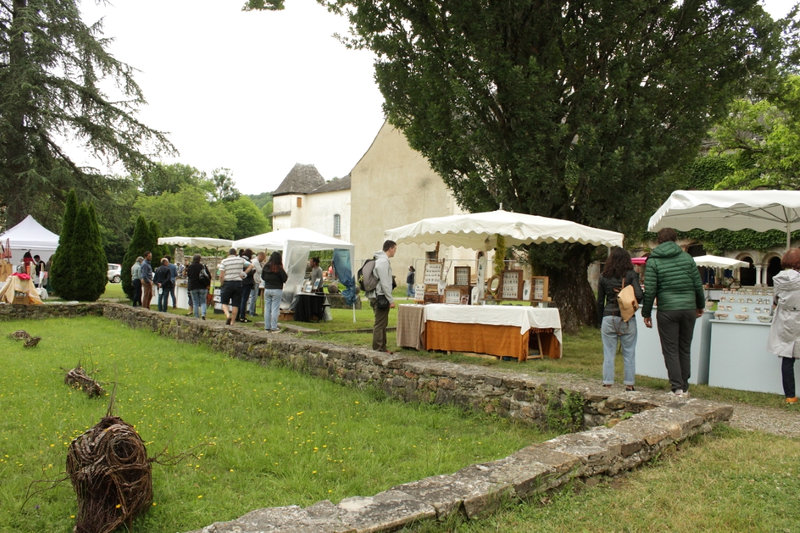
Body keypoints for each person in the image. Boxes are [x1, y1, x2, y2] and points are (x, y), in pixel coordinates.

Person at [641, 228, 705, 397]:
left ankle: (677, 387)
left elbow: (650, 290)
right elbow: (698, 285)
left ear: (659, 241)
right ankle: (685, 385)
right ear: (676, 240)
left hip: (667, 309)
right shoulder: (687, 258)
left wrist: (646, 313)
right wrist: (700, 305)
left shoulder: (654, 261)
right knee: (684, 347)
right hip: (689, 307)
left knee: (670, 349)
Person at [597, 247, 643, 391]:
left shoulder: (603, 276)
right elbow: (639, 295)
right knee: (629, 352)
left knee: (608, 352)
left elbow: (599, 301)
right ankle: (629, 384)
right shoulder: (631, 275)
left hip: (608, 317)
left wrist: (600, 320)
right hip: (627, 317)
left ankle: (607, 382)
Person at [767, 248, 800, 404]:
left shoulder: (778, 279)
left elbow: (775, 300)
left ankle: (790, 396)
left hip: (785, 320)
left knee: (788, 358)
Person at [368, 240, 397, 352]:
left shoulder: (379, 259)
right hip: (381, 296)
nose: (395, 252)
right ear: (390, 248)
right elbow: (385, 283)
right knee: (380, 323)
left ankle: (382, 347)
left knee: (382, 322)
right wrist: (391, 300)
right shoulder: (383, 262)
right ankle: (379, 347)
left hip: (376, 294)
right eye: (395, 249)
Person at [219, 248, 251, 326]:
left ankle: (228, 315)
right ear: (236, 253)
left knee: (224, 302)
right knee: (235, 304)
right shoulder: (240, 260)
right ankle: (232, 322)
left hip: (227, 283)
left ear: (228, 254)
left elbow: (221, 275)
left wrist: (221, 283)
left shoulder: (224, 261)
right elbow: (251, 265)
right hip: (238, 283)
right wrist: (244, 273)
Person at [262, 251, 288, 332]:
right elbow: (285, 278)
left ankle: (267, 326)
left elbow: (263, 277)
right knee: (275, 309)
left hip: (267, 289)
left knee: (267, 308)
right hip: (277, 289)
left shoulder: (266, 267)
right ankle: (274, 326)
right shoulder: (279, 268)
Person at [186, 254, 211, 320]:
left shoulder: (190, 267)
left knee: (195, 302)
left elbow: (188, 275)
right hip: (202, 286)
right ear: (200, 259)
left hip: (193, 286)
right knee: (203, 301)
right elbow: (209, 276)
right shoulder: (203, 266)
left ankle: (196, 316)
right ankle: (203, 314)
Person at [237, 249, 256, 323]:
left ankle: (237, 315)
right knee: (244, 300)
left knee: (239, 299)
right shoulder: (248, 262)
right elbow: (249, 272)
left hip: (239, 282)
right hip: (246, 282)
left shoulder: (239, 259)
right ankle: (242, 316)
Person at [248, 251, 266, 317]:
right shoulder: (255, 262)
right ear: (260, 256)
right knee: (254, 297)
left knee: (254, 297)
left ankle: (253, 310)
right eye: (263, 258)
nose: (263, 259)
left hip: (256, 280)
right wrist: (263, 267)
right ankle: (251, 311)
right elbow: (260, 270)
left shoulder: (258, 262)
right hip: (254, 280)